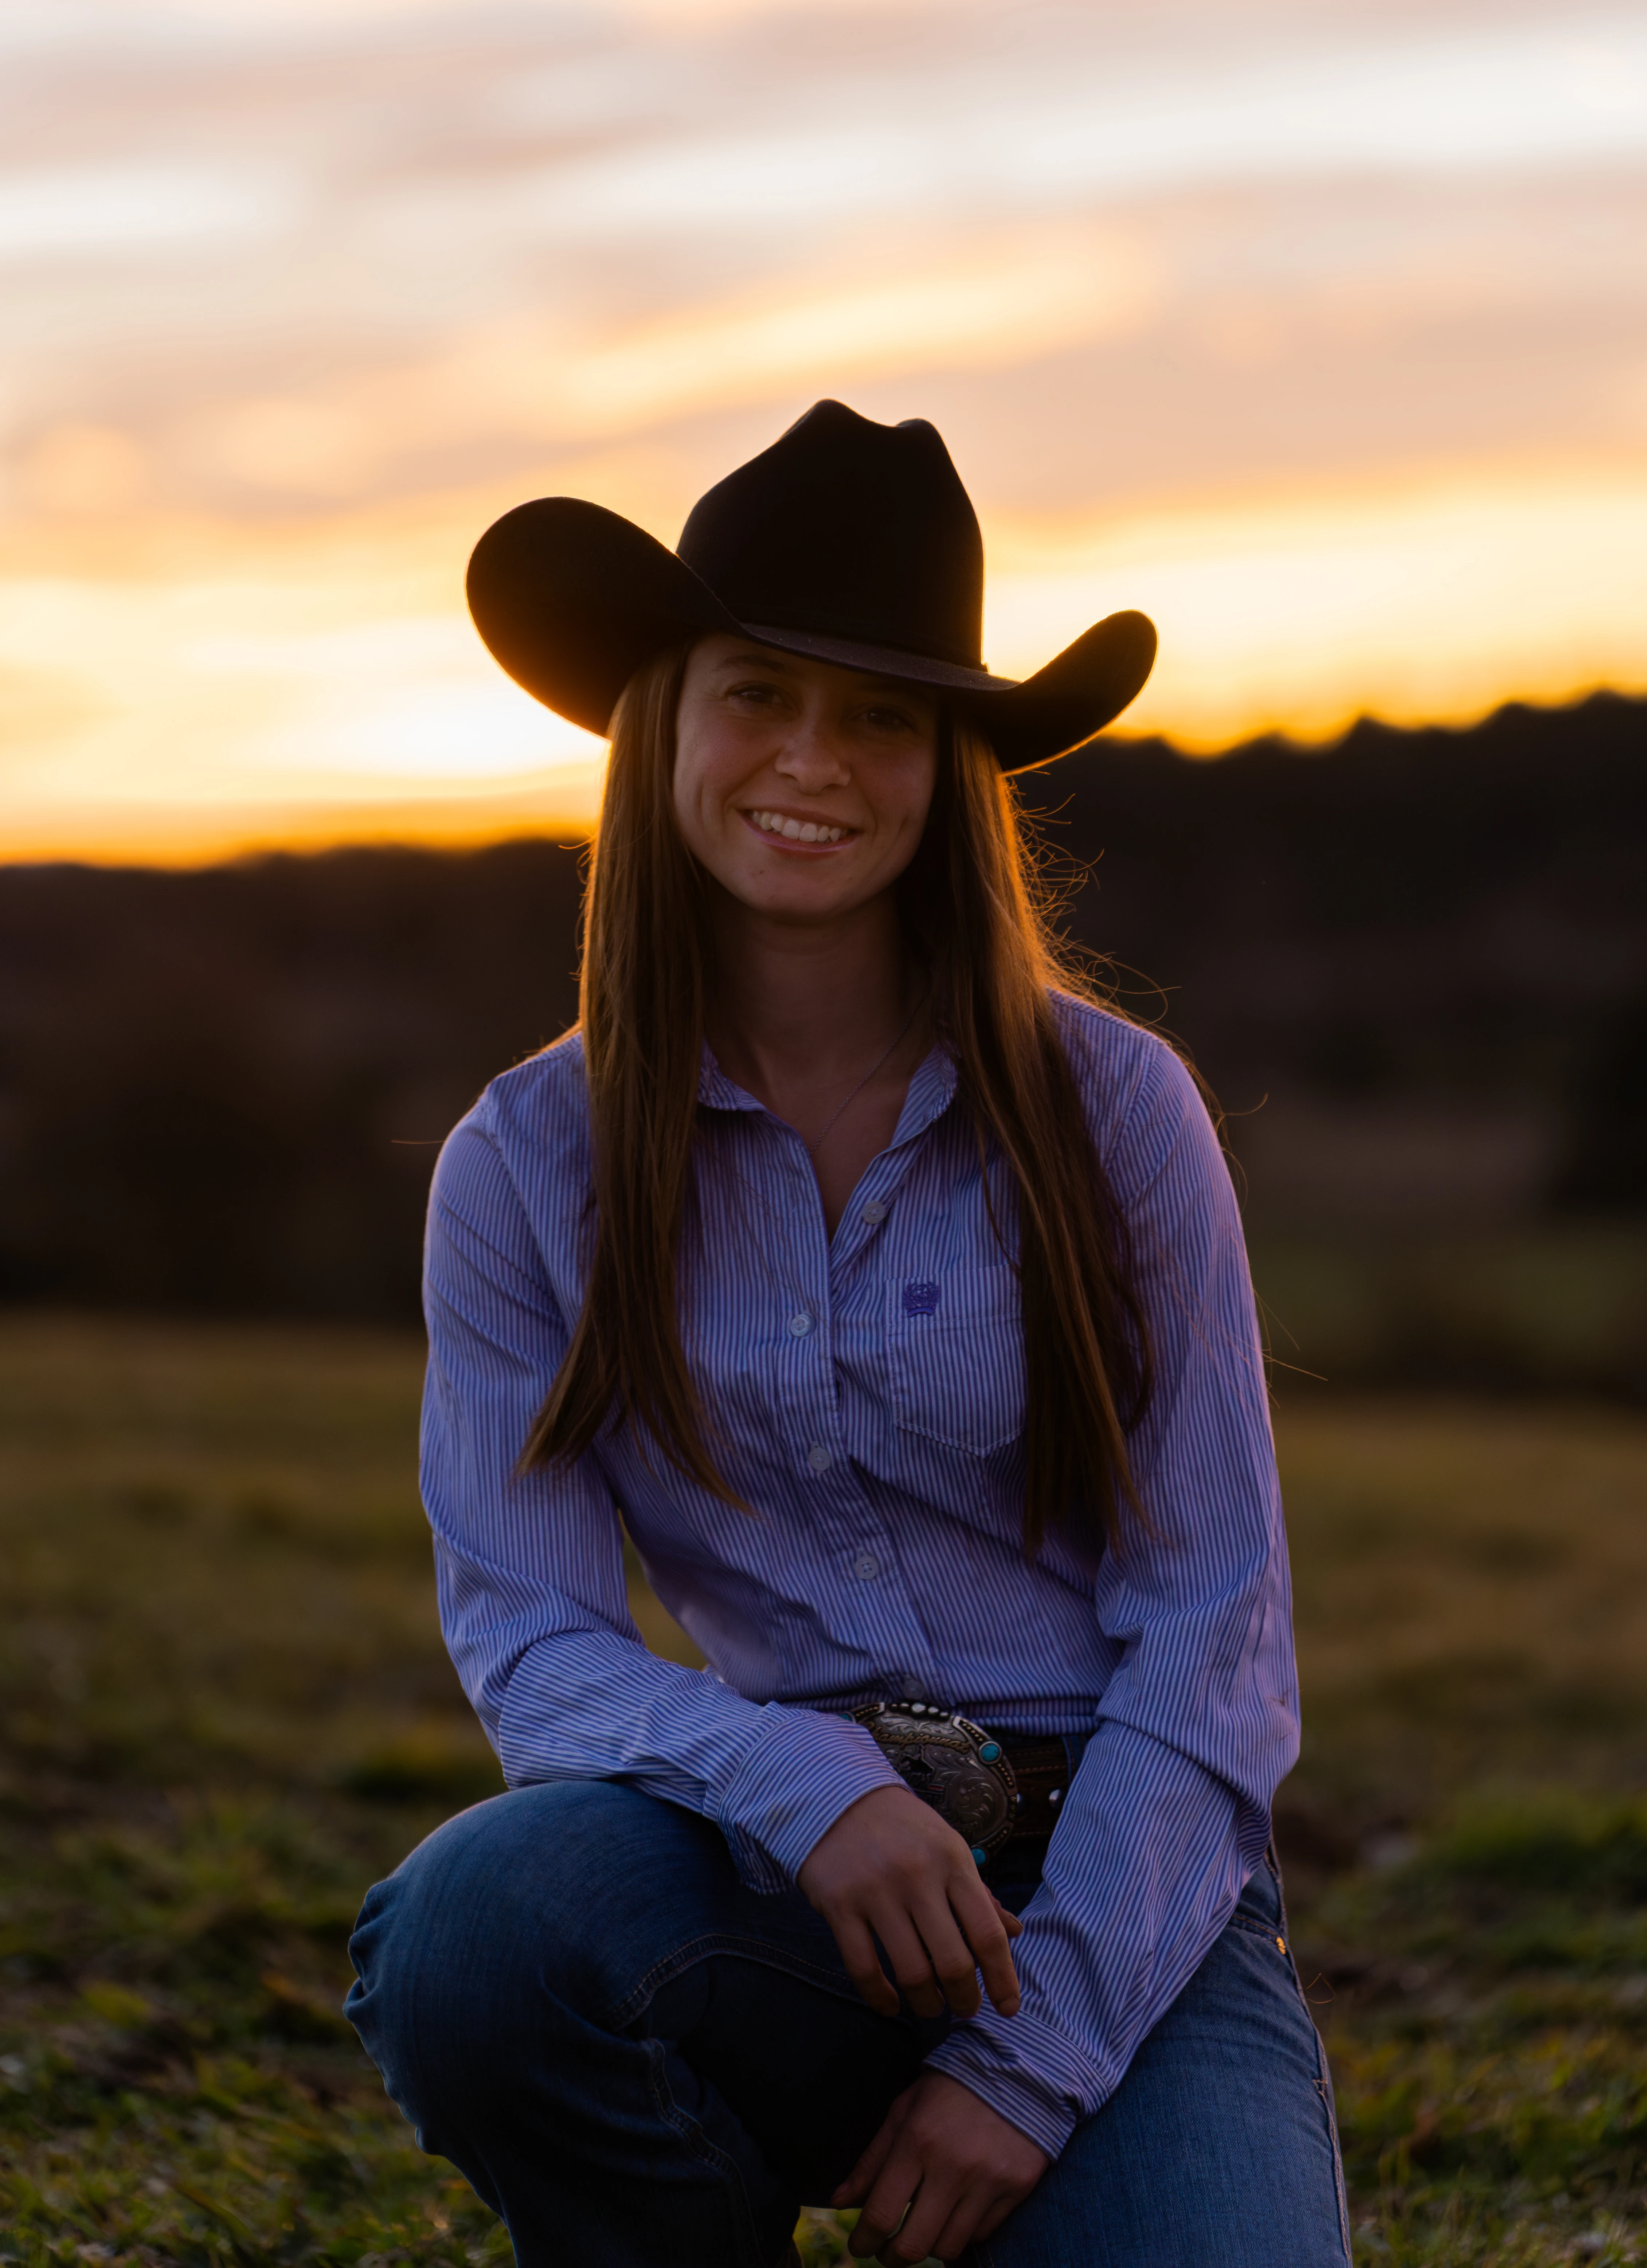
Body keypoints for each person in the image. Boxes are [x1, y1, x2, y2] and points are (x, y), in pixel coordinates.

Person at [344, 401, 1349, 2267]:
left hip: (1117, 1894)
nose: (812, 760)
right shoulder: (526, 1163)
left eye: (881, 715)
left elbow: (1213, 1637)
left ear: (947, 771)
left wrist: (1030, 2064)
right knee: (474, 1934)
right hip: (769, 1876)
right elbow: (530, 1637)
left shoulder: (1115, 1113)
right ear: (663, 723)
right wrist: (808, 1788)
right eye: (758, 694)